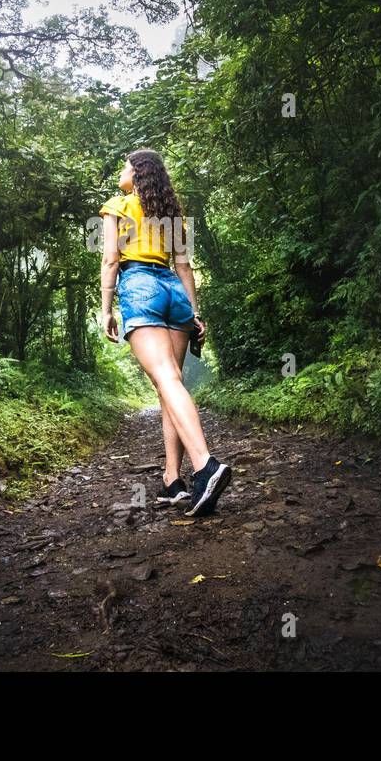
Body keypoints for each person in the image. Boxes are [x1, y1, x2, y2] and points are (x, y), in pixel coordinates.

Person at [97, 148, 232, 517]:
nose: (121, 171)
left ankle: (206, 466)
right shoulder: (172, 215)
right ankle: (174, 480)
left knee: (167, 380)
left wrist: (107, 309)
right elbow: (185, 268)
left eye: (126, 166)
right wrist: (194, 314)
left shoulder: (118, 205)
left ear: (138, 173)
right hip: (174, 293)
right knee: (170, 385)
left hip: (140, 284)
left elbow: (111, 260)